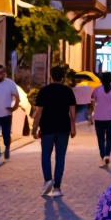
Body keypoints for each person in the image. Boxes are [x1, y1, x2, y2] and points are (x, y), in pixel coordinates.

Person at [32, 65, 76, 197]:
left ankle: (47, 180)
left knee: (45, 155)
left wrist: (34, 129)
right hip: (63, 128)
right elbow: (72, 114)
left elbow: (38, 113)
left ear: (51, 76)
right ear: (62, 77)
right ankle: (57, 187)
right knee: (60, 157)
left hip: (47, 128)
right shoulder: (68, 91)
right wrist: (73, 128)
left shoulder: (44, 91)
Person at [90, 71, 111, 167]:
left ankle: (103, 156)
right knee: (109, 138)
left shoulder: (97, 90)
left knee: (100, 139)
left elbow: (92, 101)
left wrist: (92, 112)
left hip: (98, 117)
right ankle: (107, 155)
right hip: (110, 118)